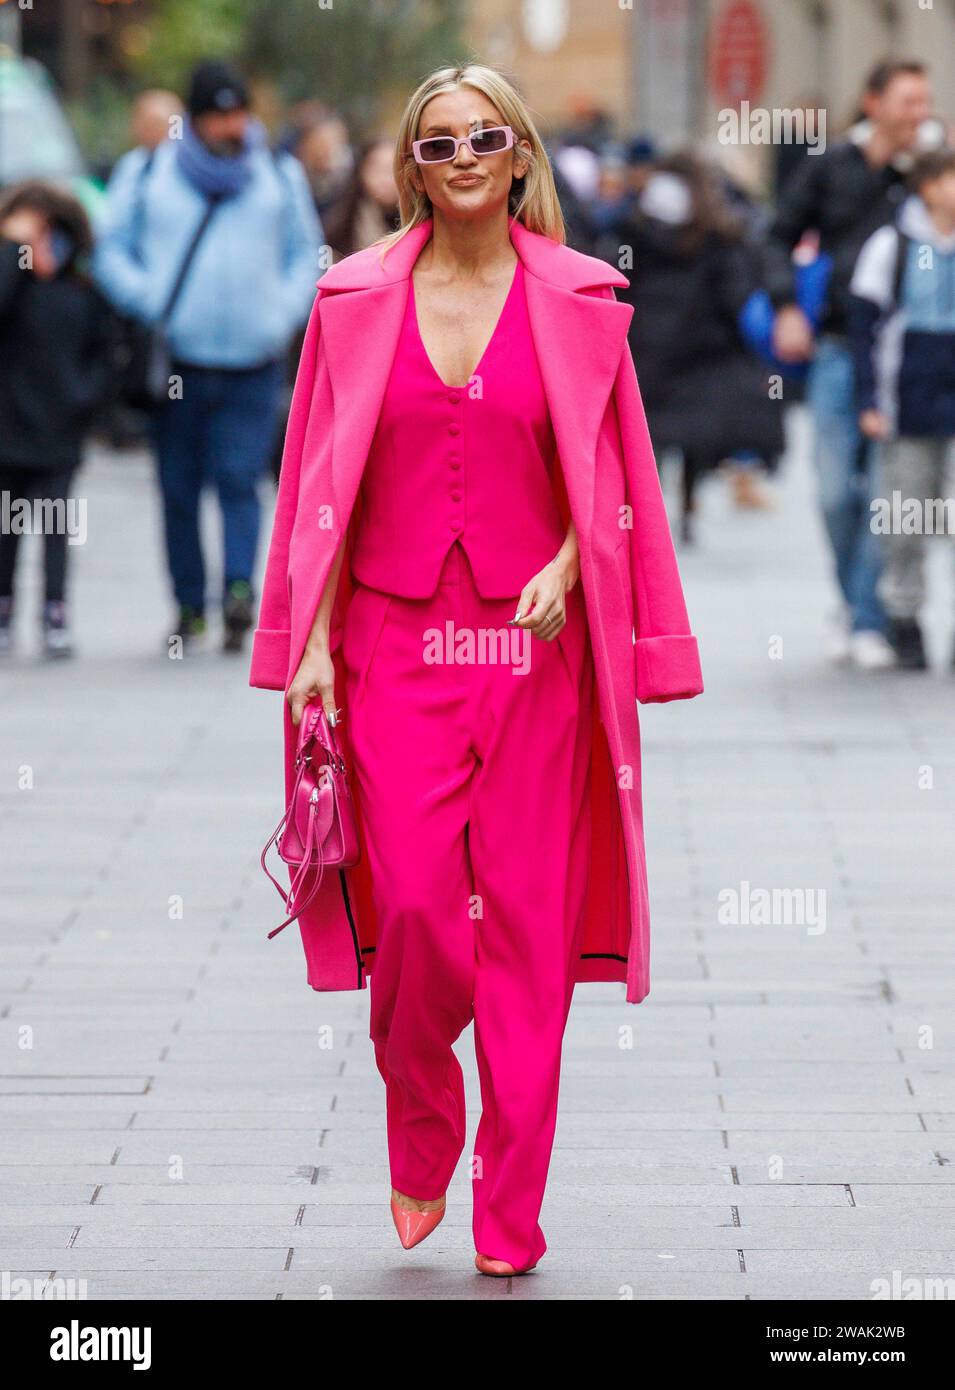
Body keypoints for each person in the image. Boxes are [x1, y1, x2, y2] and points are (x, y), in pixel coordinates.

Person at [248, 64, 703, 1277]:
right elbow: (312, 488)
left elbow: (615, 476)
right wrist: (304, 649)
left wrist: (570, 558)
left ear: (518, 157)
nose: (460, 157)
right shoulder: (349, 301)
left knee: (527, 930)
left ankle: (512, 1208)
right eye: (437, 141)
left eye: (483, 137)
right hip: (390, 645)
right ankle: (420, 1123)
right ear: (409, 164)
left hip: (534, 651)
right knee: (411, 914)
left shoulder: (579, 298)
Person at [94, 60, 323, 653]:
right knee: (177, 487)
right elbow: (109, 247)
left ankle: (240, 592)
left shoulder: (277, 172)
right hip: (176, 362)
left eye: (237, 112)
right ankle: (190, 604)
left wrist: (281, 312)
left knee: (240, 479)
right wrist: (148, 300)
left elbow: (305, 254)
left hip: (253, 359)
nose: (230, 126)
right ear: (192, 121)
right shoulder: (148, 172)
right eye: (217, 115)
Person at [764, 59, 934, 670]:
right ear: (875, 101)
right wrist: (785, 307)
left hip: (899, 358)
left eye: (925, 102)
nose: (921, 114)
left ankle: (867, 618)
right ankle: (851, 603)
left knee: (884, 493)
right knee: (837, 491)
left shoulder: (924, 176)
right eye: (910, 101)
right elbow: (777, 234)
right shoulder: (831, 168)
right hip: (836, 347)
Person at [607, 152, 784, 542]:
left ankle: (641, 512)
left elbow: (616, 278)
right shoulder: (717, 234)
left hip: (645, 347)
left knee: (646, 436)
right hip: (699, 349)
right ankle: (684, 509)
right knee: (692, 440)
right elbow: (734, 292)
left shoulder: (633, 230)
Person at [849, 148, 955, 670]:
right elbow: (864, 329)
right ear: (931, 186)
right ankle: (906, 618)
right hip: (908, 403)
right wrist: (868, 400)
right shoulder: (892, 245)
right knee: (906, 519)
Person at [0, 183, 112, 659]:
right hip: (7, 427)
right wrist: (11, 249)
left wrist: (83, 399)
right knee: (6, 525)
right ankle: (4, 609)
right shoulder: (12, 281)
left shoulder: (82, 288)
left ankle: (55, 612)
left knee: (55, 522)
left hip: (59, 428)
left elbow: (106, 351)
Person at [321, 138, 400, 260]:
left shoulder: (420, 225)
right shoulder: (341, 226)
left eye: (393, 170)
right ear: (362, 171)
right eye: (378, 169)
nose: (386, 179)